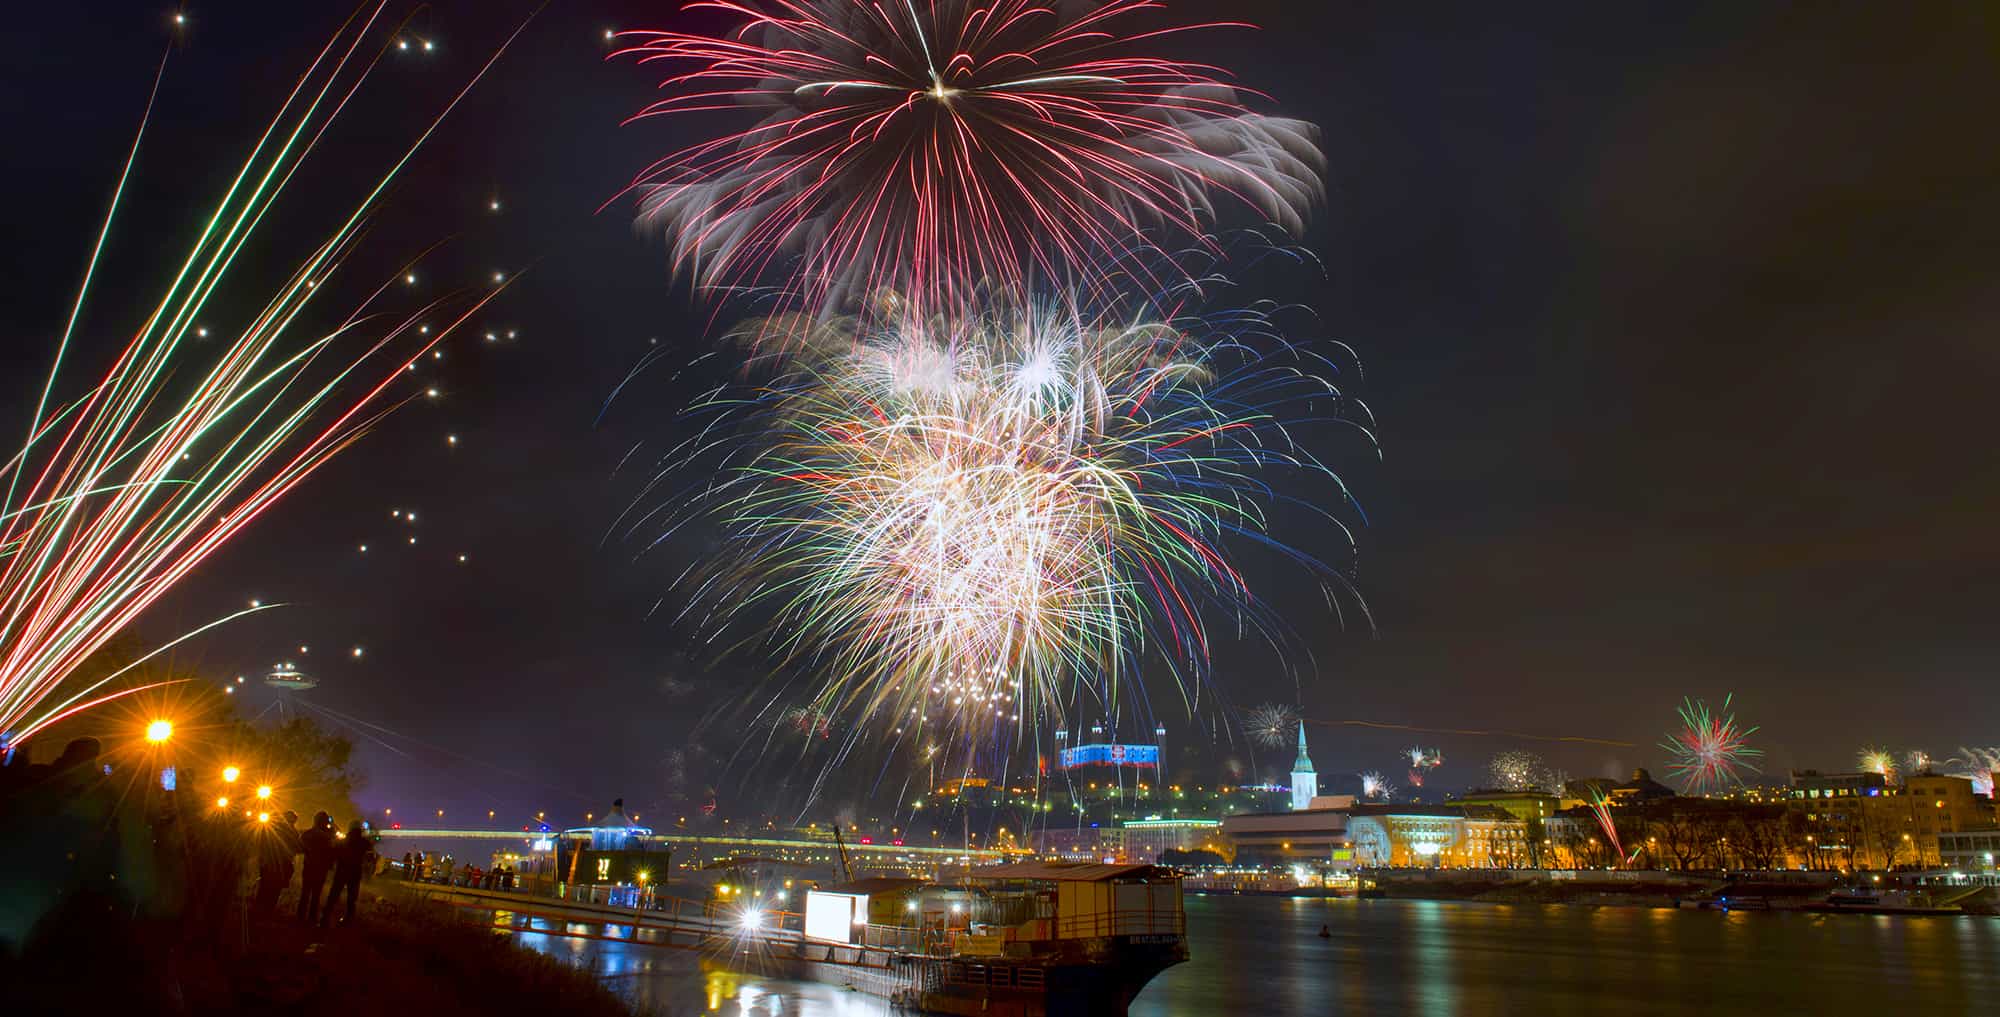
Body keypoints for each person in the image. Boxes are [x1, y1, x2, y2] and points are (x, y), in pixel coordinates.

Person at [323, 819, 373, 927]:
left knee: (333, 895)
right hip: (355, 873)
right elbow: (369, 853)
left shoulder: (343, 841)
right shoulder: (364, 843)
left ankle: (325, 918)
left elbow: (334, 854)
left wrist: (331, 865)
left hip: (341, 871)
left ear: (350, 828)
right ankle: (348, 920)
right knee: (352, 898)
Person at [252, 810, 300, 918]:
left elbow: (263, 843)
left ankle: (259, 909)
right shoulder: (293, 832)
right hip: (282, 864)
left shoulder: (274, 829)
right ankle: (267, 910)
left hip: (271, 862)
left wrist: (262, 858)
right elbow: (297, 848)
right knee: (274, 888)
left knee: (265, 886)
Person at [298, 812, 336, 924]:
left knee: (305, 893)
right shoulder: (327, 837)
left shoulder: (307, 834)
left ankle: (300, 916)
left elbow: (300, 848)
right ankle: (312, 917)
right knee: (316, 894)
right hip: (321, 869)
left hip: (309, 866)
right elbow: (332, 852)